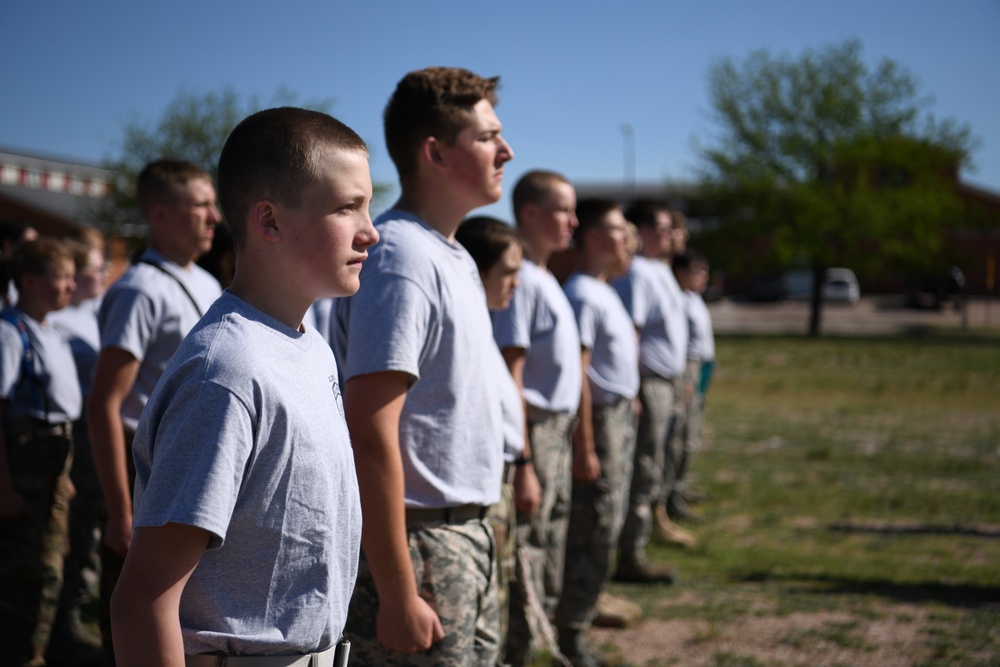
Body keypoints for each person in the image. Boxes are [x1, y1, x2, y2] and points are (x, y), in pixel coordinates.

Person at [110, 107, 375, 665]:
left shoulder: (311, 347)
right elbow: (143, 600)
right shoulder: (227, 372)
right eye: (347, 207)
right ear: (270, 222)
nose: (369, 230)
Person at [332, 66, 514, 666]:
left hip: (467, 533)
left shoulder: (451, 254)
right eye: (487, 137)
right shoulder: (402, 258)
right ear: (434, 152)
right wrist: (398, 590)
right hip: (424, 543)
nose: (505, 150)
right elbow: (370, 428)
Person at [88, 159, 222, 664]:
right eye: (200, 205)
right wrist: (120, 509)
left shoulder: (206, 282)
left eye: (214, 204)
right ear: (160, 214)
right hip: (146, 464)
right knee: (138, 615)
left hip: (189, 464)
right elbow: (105, 403)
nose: (214, 217)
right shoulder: (140, 289)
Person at [491, 169, 582, 666]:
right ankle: (518, 653)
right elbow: (511, 373)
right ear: (529, 214)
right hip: (535, 430)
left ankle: (538, 642)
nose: (573, 220)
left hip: (556, 430)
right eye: (562, 210)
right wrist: (523, 459)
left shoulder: (544, 276)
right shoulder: (521, 279)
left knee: (549, 540)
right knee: (528, 548)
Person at [557, 199, 640, 666]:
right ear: (591, 237)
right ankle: (572, 630)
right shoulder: (583, 294)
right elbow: (581, 377)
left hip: (617, 417)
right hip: (600, 423)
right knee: (595, 524)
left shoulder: (603, 290)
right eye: (615, 228)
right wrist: (585, 443)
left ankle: (584, 613)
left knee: (610, 519)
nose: (625, 236)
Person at [0, 237, 82, 667]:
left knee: (51, 562)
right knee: (27, 570)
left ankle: (36, 649)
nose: (71, 286)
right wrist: (5, 486)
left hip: (53, 459)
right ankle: (23, 653)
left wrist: (63, 473)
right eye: (61, 277)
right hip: (24, 462)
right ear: (29, 281)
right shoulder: (10, 333)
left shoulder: (52, 331)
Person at [611, 200, 693, 585]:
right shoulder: (639, 273)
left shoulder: (658, 270)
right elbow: (632, 332)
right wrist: (636, 390)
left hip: (666, 381)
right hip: (648, 381)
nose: (668, 233)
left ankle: (642, 539)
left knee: (656, 464)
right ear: (642, 230)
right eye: (660, 227)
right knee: (643, 468)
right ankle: (630, 554)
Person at [455, 215, 526, 658]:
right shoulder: (471, 326)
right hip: (476, 490)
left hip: (497, 479)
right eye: (508, 272)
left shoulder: (484, 323)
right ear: (477, 273)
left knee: (496, 599)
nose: (516, 283)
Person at [46, 230, 108, 663]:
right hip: (78, 436)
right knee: (79, 532)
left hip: (92, 436)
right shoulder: (62, 323)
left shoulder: (93, 313)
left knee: (94, 532)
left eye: (102, 268)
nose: (100, 277)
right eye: (92, 271)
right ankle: (60, 623)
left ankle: (76, 612)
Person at [671, 250, 716, 513]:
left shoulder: (695, 299)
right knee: (683, 435)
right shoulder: (682, 301)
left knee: (693, 430)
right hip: (688, 368)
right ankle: (673, 494)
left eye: (705, 271)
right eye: (697, 270)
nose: (703, 276)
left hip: (701, 367)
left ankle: (682, 486)